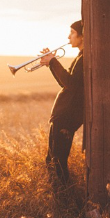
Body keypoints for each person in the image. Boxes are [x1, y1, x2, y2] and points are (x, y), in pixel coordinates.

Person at [39, 20, 84, 196]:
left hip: (67, 117)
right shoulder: (80, 57)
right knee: (52, 160)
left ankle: (66, 199)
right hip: (63, 116)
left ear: (83, 35)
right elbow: (65, 84)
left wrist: (53, 62)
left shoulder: (84, 58)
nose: (68, 36)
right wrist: (50, 64)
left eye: (72, 32)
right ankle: (60, 197)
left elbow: (71, 84)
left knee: (57, 162)